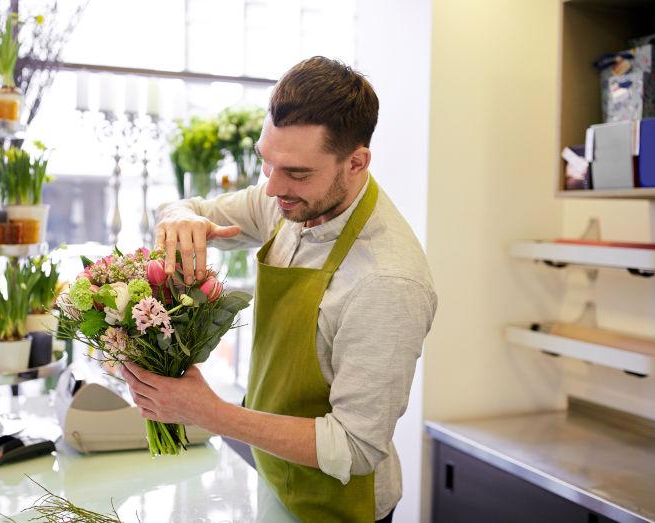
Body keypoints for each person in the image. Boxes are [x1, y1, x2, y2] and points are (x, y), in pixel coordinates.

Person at [120, 56, 437, 523]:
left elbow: (354, 448)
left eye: (296, 172)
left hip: (335, 507)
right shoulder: (292, 202)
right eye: (266, 163)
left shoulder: (387, 281)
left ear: (356, 162)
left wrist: (209, 412)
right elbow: (189, 207)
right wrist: (178, 218)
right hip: (274, 475)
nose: (271, 189)